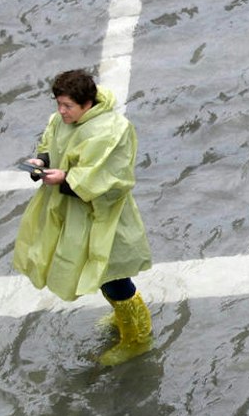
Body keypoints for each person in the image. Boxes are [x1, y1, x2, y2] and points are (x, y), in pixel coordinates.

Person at [11, 69, 156, 366]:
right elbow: (53, 146)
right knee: (98, 271)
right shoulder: (61, 120)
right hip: (74, 212)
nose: (61, 112)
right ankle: (123, 320)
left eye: (67, 106)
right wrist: (42, 161)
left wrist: (67, 178)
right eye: (59, 104)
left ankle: (138, 337)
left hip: (104, 216)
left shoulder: (113, 130)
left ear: (86, 102)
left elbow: (115, 179)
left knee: (112, 274)